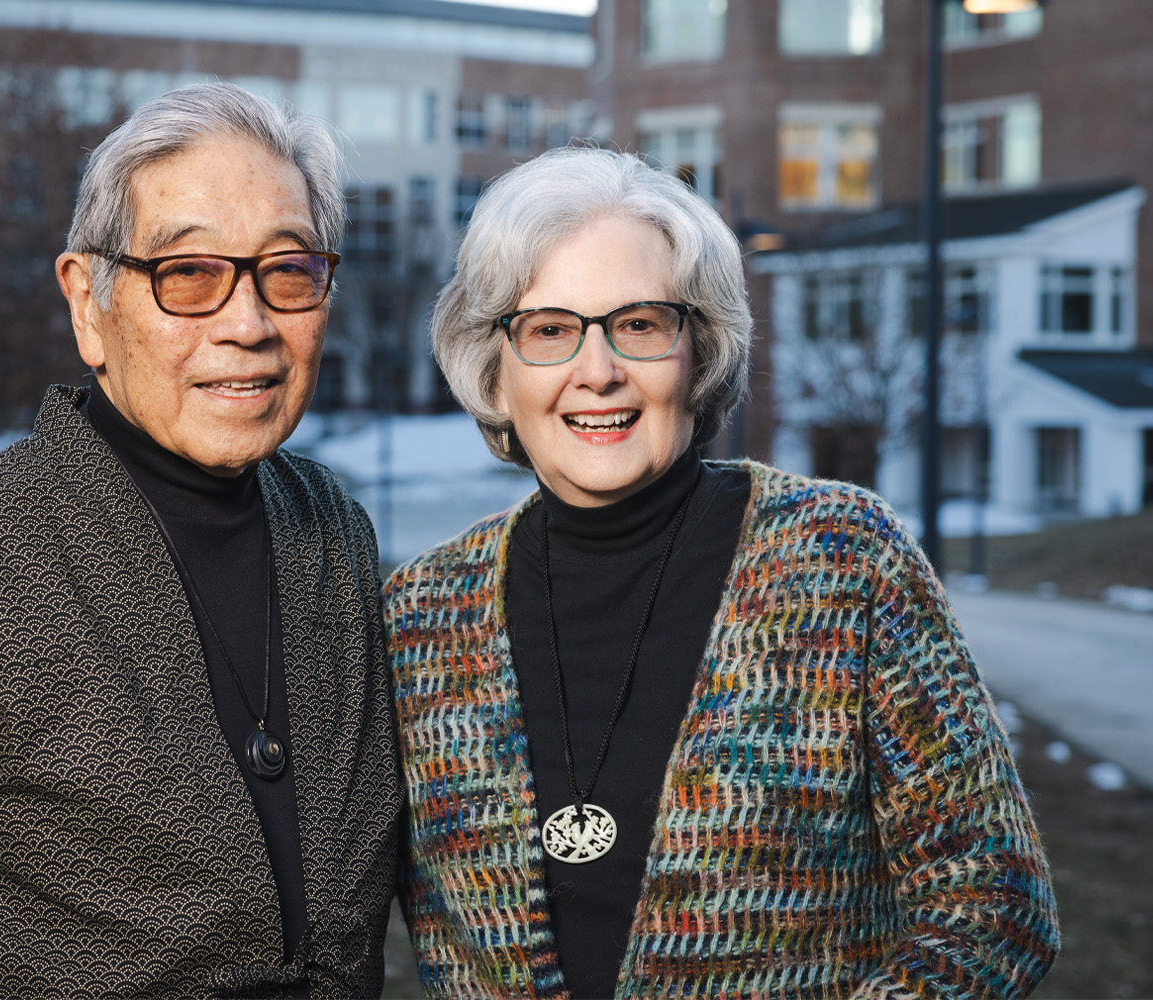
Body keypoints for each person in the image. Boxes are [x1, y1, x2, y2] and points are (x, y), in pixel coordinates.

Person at [0, 83, 399, 998]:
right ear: (88, 303)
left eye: (289, 271)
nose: (249, 322)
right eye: (187, 274)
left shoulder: (332, 532)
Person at [384, 147, 1058, 999]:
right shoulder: (416, 618)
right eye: (550, 329)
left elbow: (994, 900)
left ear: (698, 351)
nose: (598, 371)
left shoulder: (844, 561)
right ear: (494, 368)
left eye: (639, 324)